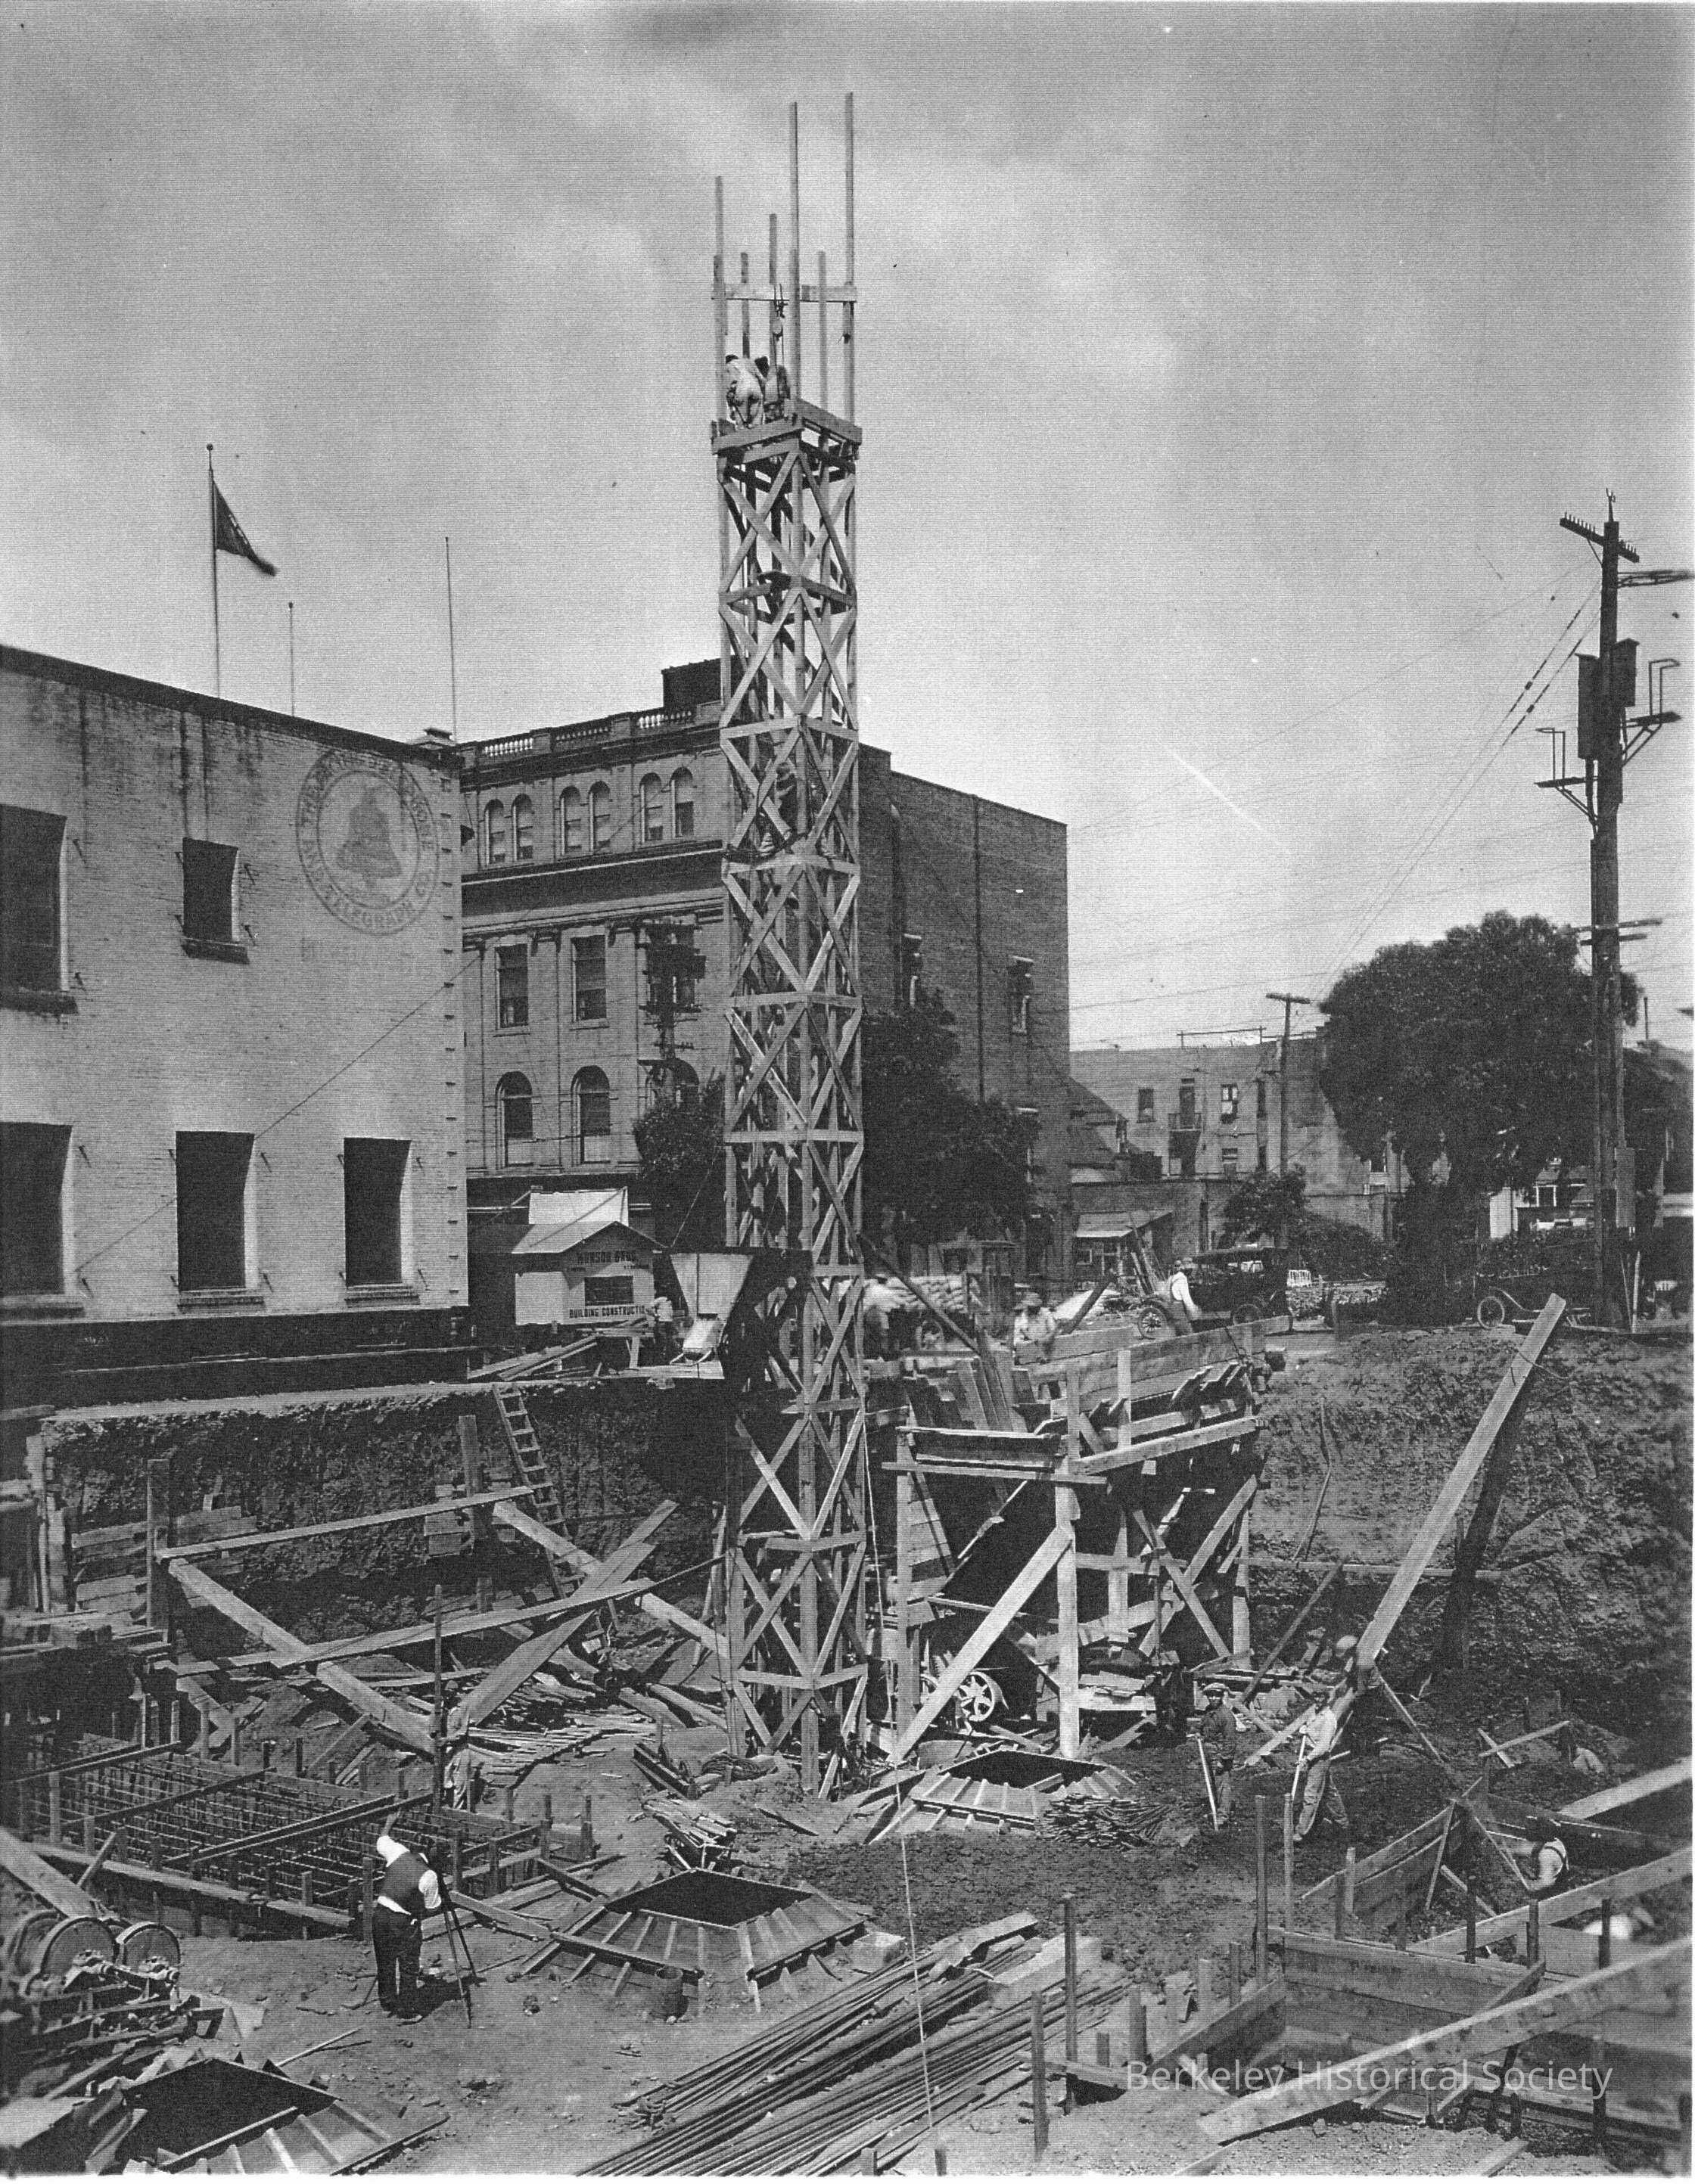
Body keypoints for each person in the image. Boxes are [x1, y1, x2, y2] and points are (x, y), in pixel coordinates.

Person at [371, 1824, 445, 2022]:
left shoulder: (398, 1852)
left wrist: (389, 1822)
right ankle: (407, 2010)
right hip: (403, 1922)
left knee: (385, 1962)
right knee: (408, 1966)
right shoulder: (429, 1876)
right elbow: (432, 1907)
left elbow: (382, 1840)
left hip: (380, 1915)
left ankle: (387, 2003)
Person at [1292, 1639, 1360, 1841]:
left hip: (1319, 1759)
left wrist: (1307, 1760)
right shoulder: (1314, 1712)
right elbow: (1310, 1730)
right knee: (1329, 1792)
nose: (1318, 1700)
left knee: (1310, 1796)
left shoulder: (1329, 1718)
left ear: (1326, 1699)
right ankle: (1343, 1823)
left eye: (1321, 1697)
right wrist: (1304, 1730)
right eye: (1315, 1697)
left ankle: (1301, 1832)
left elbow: (1323, 1746)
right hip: (1312, 1755)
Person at [1197, 1692, 1240, 1823]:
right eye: (1210, 1696)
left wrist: (1223, 1759)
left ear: (1221, 1697)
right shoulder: (1209, 1711)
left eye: (1216, 1696)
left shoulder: (1226, 1715)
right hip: (1209, 1752)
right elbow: (1204, 1727)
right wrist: (1199, 1734)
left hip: (1220, 1753)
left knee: (1222, 1784)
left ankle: (1223, 1815)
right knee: (1212, 1782)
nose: (1213, 1698)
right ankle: (1214, 1809)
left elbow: (1230, 1740)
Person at [1523, 1816, 1569, 1899]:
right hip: (1561, 1879)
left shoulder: (1546, 1854)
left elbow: (1546, 1882)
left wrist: (1530, 1885)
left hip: (1553, 1892)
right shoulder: (1556, 1841)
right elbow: (1537, 1847)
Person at [1012, 1289, 1056, 1355]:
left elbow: (1052, 1331)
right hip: (1030, 1344)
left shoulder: (1046, 1314)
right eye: (1028, 1306)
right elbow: (1023, 1329)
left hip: (1045, 1345)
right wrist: (1030, 1337)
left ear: (1037, 1307)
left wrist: (1043, 1340)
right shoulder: (1025, 1314)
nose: (1028, 1308)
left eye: (1031, 1306)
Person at [1166, 1260, 1199, 1333]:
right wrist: (1193, 1310)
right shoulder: (1181, 1279)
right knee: (1187, 1332)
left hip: (1173, 1306)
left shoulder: (1172, 1278)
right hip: (1178, 1307)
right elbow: (1186, 1297)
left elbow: (1167, 1294)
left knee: (1180, 1330)